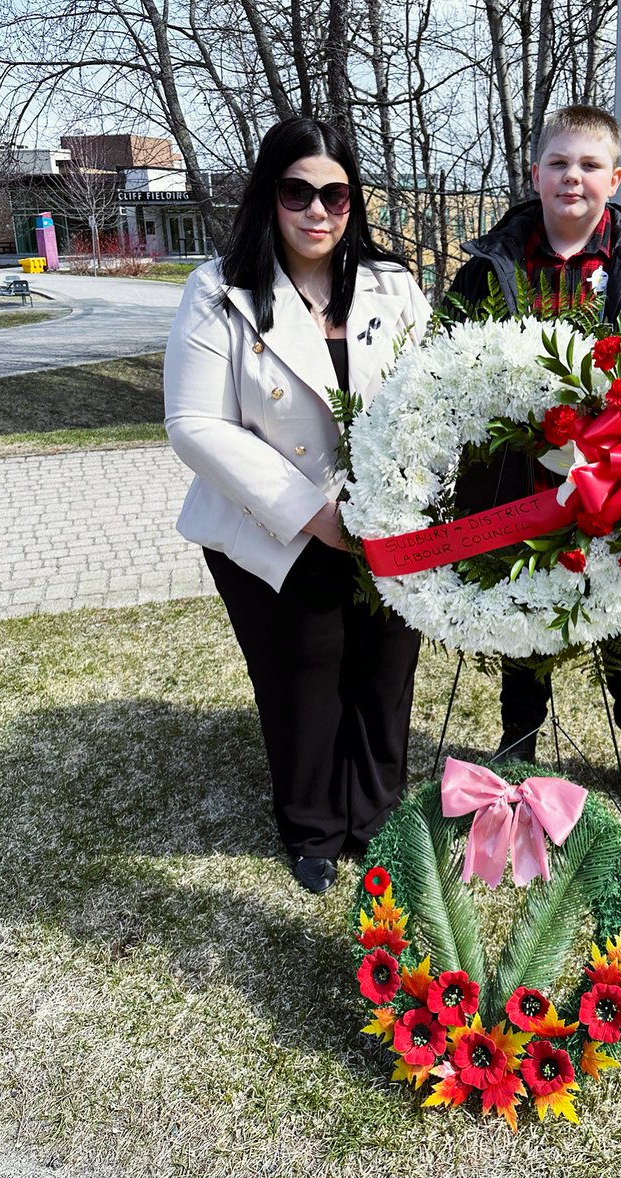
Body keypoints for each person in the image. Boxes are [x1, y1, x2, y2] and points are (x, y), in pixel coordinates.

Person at [164, 116, 431, 892]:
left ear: (354, 202)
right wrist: (319, 517)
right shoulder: (219, 292)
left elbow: (432, 396)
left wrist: (401, 503)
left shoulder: (393, 284)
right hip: (272, 526)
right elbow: (194, 424)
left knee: (385, 671)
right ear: (268, 195)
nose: (318, 211)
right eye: (298, 191)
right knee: (302, 677)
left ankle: (376, 817)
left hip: (386, 524)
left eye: (336, 194)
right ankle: (311, 825)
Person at [449, 105, 621, 843]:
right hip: (522, 494)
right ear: (535, 174)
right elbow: (442, 380)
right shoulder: (488, 273)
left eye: (590, 165)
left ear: (615, 178)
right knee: (526, 625)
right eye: (560, 163)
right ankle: (519, 745)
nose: (574, 177)